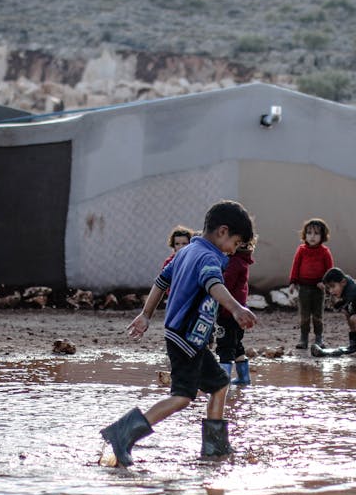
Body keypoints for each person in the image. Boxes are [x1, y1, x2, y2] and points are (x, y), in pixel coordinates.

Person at [101, 200, 256, 468]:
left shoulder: (187, 251)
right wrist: (237, 307)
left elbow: (161, 282)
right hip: (186, 338)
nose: (234, 250)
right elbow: (213, 285)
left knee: (219, 384)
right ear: (222, 232)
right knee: (182, 396)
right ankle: (122, 434)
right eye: (236, 243)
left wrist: (146, 314)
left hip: (185, 337)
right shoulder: (208, 257)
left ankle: (215, 449)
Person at [288, 218, 334, 350]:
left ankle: (319, 338)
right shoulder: (301, 250)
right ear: (304, 235)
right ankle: (303, 338)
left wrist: (325, 283)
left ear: (323, 236)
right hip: (304, 287)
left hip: (318, 288)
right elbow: (295, 266)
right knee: (304, 315)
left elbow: (330, 270)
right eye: (309, 233)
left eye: (316, 233)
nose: (312, 237)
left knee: (318, 315)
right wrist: (293, 282)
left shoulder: (325, 252)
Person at [217, 238, 255, 385]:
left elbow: (224, 284)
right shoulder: (243, 260)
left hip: (228, 312)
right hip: (238, 311)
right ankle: (243, 377)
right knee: (236, 345)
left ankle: (222, 381)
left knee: (225, 346)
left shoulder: (234, 262)